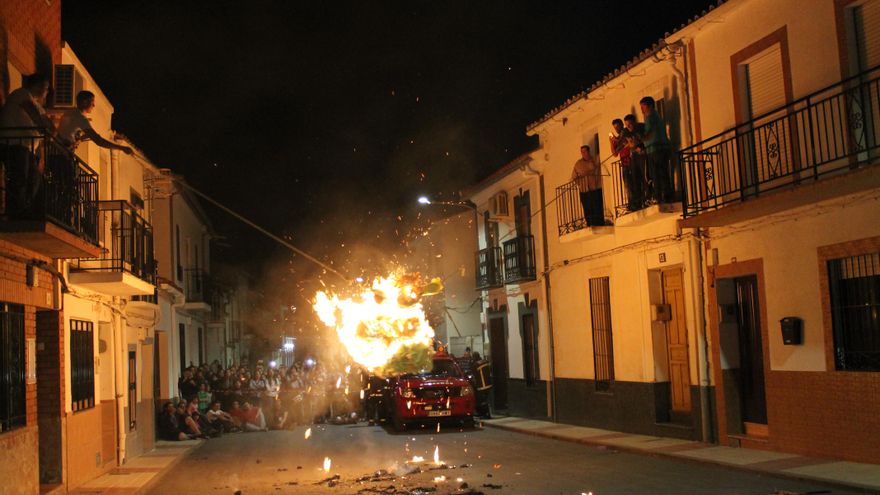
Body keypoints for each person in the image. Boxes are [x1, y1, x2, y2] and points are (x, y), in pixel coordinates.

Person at [0, 74, 54, 217]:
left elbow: (49, 124)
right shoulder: (21, 94)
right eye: (46, 88)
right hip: (14, 144)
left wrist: (47, 129)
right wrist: (44, 128)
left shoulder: (37, 104)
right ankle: (16, 213)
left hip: (27, 147)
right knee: (20, 179)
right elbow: (36, 116)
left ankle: (26, 210)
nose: (47, 92)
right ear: (37, 86)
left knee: (34, 180)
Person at [57, 91, 132, 154]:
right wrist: (121, 148)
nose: (94, 105)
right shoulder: (81, 118)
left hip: (56, 151)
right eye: (92, 101)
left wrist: (82, 137)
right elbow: (99, 141)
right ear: (85, 102)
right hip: (63, 154)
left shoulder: (70, 112)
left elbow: (68, 133)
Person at [640, 96, 674, 203]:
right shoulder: (653, 117)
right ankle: (664, 195)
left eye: (643, 107)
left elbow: (651, 134)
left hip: (657, 149)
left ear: (650, 106)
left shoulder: (651, 117)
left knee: (658, 173)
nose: (642, 110)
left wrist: (639, 139)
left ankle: (661, 196)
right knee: (660, 173)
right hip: (656, 149)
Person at [611, 117, 645, 212]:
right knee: (628, 185)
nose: (617, 129)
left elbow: (626, 142)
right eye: (615, 127)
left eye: (618, 126)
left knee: (634, 182)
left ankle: (637, 203)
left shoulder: (625, 133)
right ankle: (632, 203)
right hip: (625, 163)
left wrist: (618, 141)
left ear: (622, 125)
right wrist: (611, 141)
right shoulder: (619, 137)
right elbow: (615, 153)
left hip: (631, 160)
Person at [571, 145, 605, 226]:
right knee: (587, 208)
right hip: (584, 190)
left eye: (585, 151)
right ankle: (590, 224)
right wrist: (581, 182)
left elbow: (599, 159)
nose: (583, 153)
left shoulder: (594, 160)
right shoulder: (578, 164)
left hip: (595, 188)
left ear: (588, 152)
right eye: (582, 152)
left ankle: (599, 223)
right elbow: (574, 177)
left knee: (596, 206)